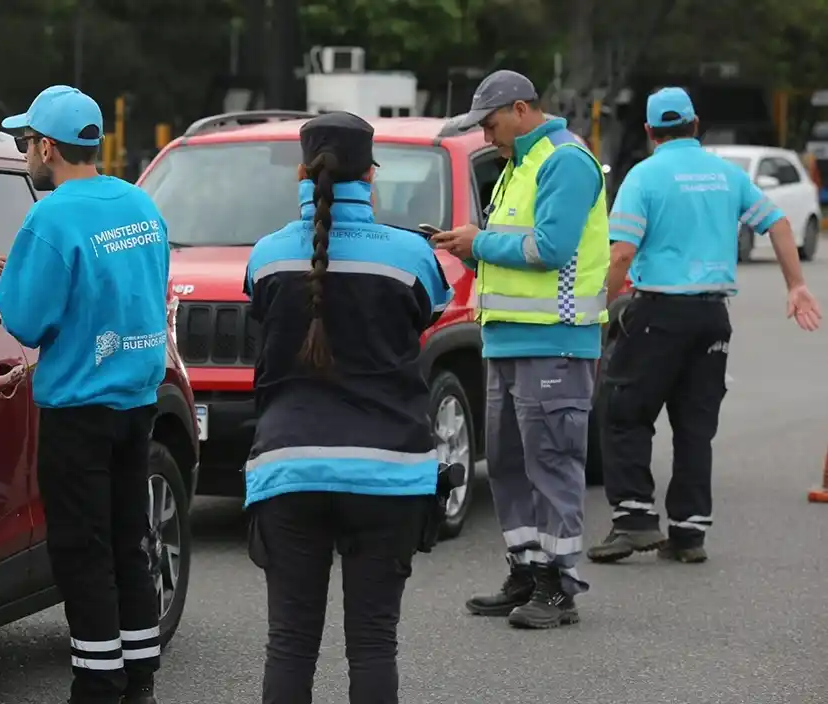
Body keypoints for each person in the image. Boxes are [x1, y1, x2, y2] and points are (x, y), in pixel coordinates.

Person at [243, 111, 450, 704]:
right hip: (389, 471)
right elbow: (428, 313)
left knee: (290, 643)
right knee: (372, 643)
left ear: (303, 173)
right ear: (372, 174)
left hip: (288, 468)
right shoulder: (410, 257)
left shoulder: (266, 257)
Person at [586, 87, 822, 566]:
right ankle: (689, 533)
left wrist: (599, 310)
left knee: (625, 412)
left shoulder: (643, 177)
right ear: (696, 125)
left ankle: (633, 521)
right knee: (695, 426)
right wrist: (795, 285)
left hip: (657, 314)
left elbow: (623, 252)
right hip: (713, 317)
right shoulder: (727, 176)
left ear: (651, 132)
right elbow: (777, 225)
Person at [0, 85, 170, 704]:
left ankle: (97, 681)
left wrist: (16, 273)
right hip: (137, 400)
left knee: (81, 547)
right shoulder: (141, 205)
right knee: (130, 535)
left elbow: (26, 320)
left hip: (78, 408)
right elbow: (128, 286)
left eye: (26, 142)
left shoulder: (50, 218)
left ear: (47, 146)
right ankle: (139, 674)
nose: (25, 154)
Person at [430, 69, 609, 629]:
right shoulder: (519, 163)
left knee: (551, 461)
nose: (487, 137)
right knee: (507, 462)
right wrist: (472, 247)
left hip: (555, 341)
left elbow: (551, 247)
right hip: (507, 338)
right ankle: (527, 571)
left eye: (490, 124)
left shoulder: (564, 160)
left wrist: (477, 242)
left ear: (521, 109)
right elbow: (518, 248)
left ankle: (560, 586)